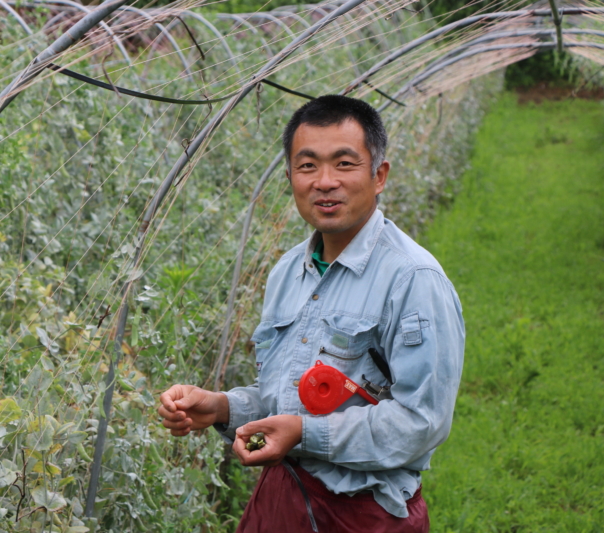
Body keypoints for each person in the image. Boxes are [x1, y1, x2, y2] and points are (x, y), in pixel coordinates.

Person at [157, 95, 465, 532]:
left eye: (344, 164)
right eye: (307, 166)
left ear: (379, 176)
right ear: (290, 177)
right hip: (282, 499)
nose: (324, 182)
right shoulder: (288, 272)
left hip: (362, 514)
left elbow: (422, 422)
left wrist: (304, 433)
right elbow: (284, 397)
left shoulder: (412, 279)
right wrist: (223, 408)